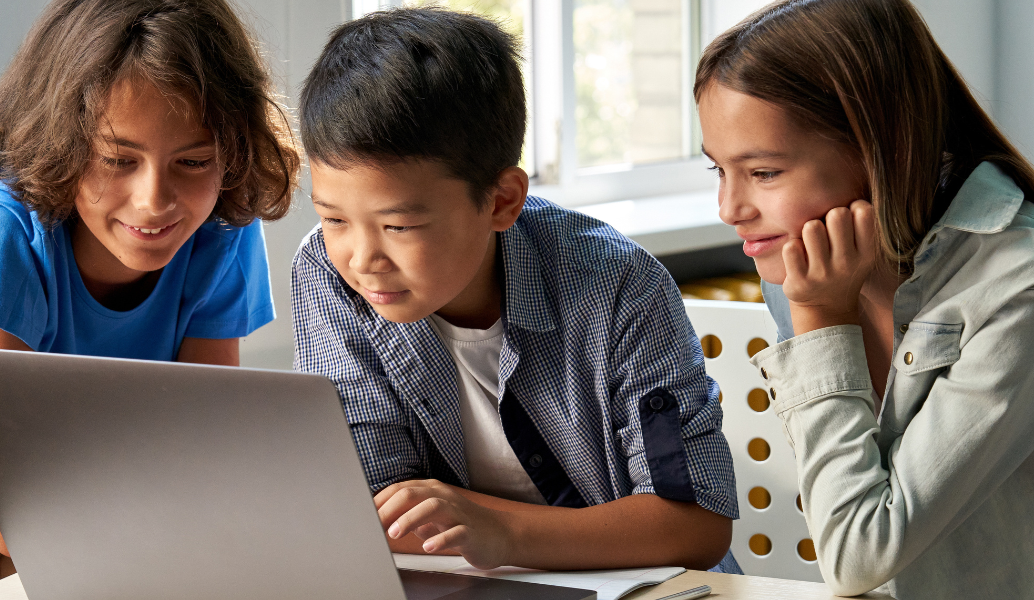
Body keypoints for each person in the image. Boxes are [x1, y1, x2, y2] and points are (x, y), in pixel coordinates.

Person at [0, 0, 300, 596]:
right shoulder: (2, 235)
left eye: (193, 161)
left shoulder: (221, 227)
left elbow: (201, 438)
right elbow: (16, 517)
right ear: (63, 141)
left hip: (59, 463)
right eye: (117, 159)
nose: (154, 201)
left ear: (230, 156)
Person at [292, 7, 740, 573]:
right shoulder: (327, 274)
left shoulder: (619, 285)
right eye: (334, 219)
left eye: (398, 226)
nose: (362, 258)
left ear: (502, 201)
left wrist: (502, 531)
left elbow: (696, 524)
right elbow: (373, 513)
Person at [695, 0, 1034, 596]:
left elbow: (859, 552)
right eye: (718, 170)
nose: (730, 209)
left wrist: (823, 323)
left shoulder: (1017, 286)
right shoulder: (808, 274)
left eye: (764, 173)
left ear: (886, 148)